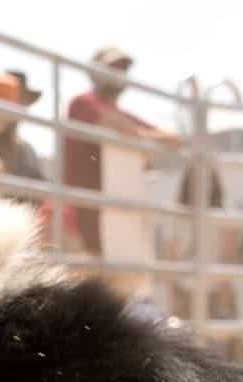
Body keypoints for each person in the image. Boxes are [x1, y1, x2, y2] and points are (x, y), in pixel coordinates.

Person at [62, 46, 184, 257]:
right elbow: (112, 125)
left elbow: (174, 140)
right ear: (94, 72)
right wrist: (139, 136)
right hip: (83, 221)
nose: (118, 74)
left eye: (123, 68)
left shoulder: (121, 114)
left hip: (114, 219)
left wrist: (134, 133)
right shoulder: (82, 103)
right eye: (112, 67)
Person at [158, 163, 242, 356]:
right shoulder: (176, 214)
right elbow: (171, 259)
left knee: (214, 355)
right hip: (188, 292)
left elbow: (230, 256)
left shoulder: (225, 212)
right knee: (192, 354)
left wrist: (225, 294)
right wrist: (173, 299)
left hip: (215, 290)